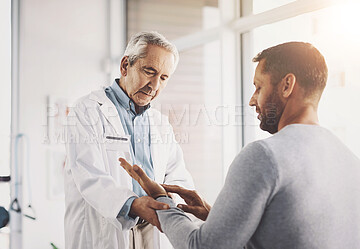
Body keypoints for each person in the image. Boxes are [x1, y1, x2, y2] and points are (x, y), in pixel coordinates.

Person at [119, 42, 360, 249]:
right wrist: (218, 218)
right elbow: (293, 235)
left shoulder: (264, 156)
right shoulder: (349, 160)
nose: (252, 100)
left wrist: (163, 201)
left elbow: (202, 246)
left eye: (259, 87)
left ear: (287, 85)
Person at [64, 31, 194, 249]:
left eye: (163, 78)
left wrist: (169, 200)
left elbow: (177, 174)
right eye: (149, 71)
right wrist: (132, 204)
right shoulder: (86, 111)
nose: (154, 86)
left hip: (152, 228)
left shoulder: (159, 123)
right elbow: (88, 174)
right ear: (125, 66)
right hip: (106, 229)